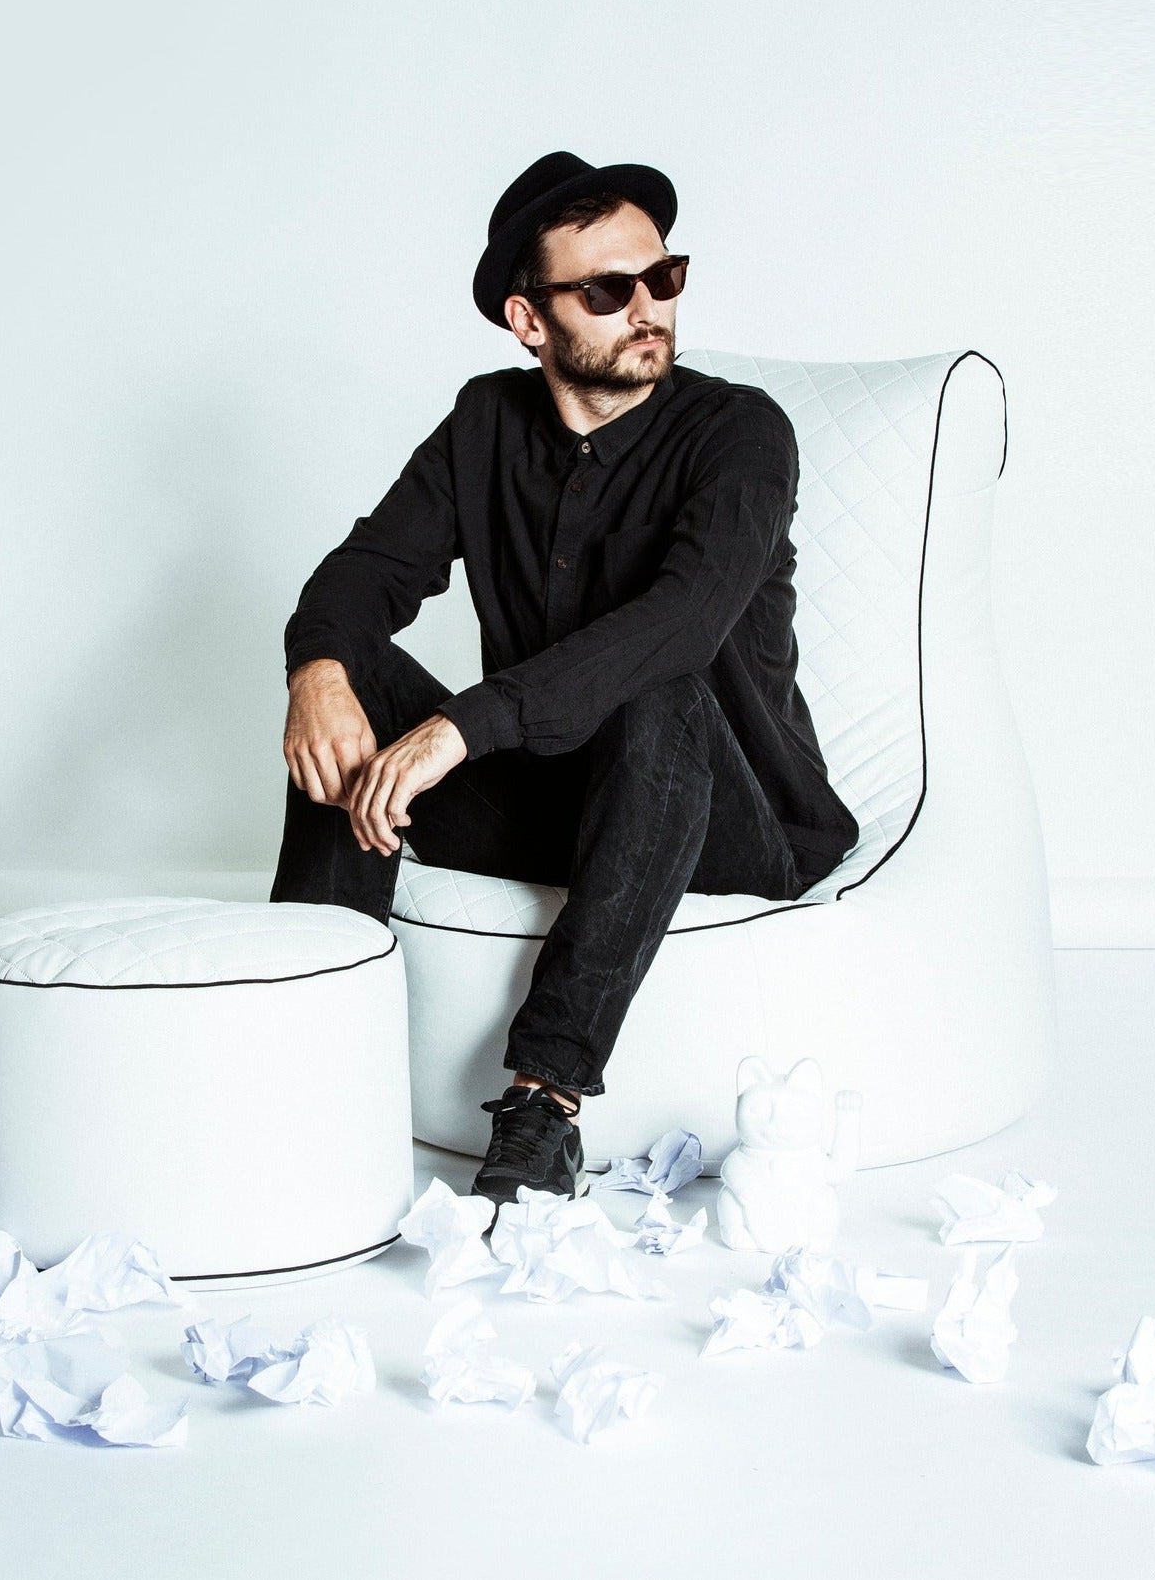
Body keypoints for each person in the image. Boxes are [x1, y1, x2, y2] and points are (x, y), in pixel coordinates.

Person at [268, 150, 859, 1217]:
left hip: (728, 818)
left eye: (662, 277)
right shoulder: (487, 422)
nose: (647, 308)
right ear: (528, 320)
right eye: (607, 290)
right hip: (557, 806)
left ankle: (544, 1097)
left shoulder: (740, 431)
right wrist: (316, 669)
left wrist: (462, 726)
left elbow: (680, 622)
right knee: (350, 672)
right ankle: (296, 1045)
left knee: (655, 682)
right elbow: (368, 571)